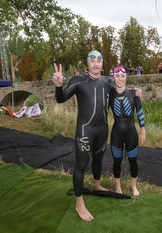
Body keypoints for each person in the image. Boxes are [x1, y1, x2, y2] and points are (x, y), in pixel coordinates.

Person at [52, 51, 141, 221]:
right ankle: (79, 203)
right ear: (88, 64)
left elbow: (122, 90)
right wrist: (58, 85)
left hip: (102, 130)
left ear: (102, 64)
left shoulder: (108, 81)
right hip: (85, 129)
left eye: (98, 60)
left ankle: (97, 185)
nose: (95, 63)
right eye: (92, 60)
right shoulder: (79, 80)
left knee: (98, 159)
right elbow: (61, 99)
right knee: (82, 165)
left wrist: (136, 93)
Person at [109, 66, 146, 197]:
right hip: (116, 133)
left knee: (133, 160)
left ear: (126, 77)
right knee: (116, 161)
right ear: (113, 77)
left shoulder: (133, 93)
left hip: (131, 133)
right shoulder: (110, 94)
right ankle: (118, 186)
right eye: (117, 75)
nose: (120, 78)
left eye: (123, 76)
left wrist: (143, 131)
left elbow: (140, 112)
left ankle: (133, 186)